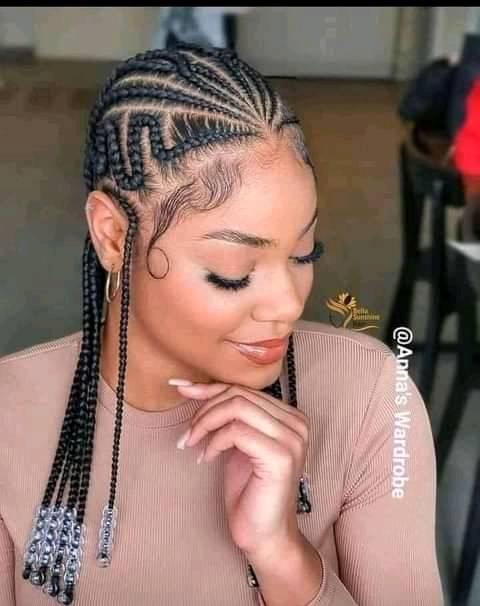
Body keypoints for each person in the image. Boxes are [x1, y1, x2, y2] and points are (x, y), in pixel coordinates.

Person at [0, 44, 444, 605]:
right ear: (113, 236)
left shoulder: (371, 395)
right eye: (232, 273)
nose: (287, 304)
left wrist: (282, 555)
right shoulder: (10, 417)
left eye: (303, 253)